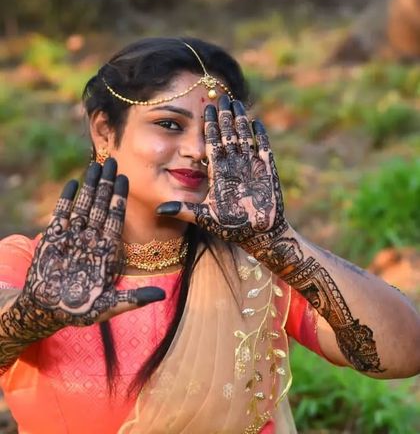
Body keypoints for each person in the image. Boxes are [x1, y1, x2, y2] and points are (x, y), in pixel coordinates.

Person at [0, 37, 419, 434]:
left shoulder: (258, 267)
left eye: (214, 130)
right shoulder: (35, 269)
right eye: (169, 124)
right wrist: (34, 315)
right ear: (104, 131)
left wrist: (278, 241)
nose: (198, 150)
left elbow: (402, 353)